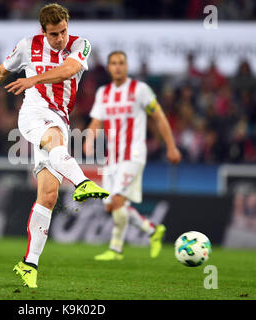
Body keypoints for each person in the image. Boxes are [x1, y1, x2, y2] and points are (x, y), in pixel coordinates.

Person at [0, 3, 109, 288]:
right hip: (33, 114)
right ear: (43, 31)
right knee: (55, 140)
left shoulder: (81, 45)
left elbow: (68, 70)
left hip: (60, 117)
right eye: (53, 34)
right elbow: (0, 73)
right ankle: (82, 182)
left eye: (63, 31)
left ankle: (29, 265)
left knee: (48, 196)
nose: (60, 38)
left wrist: (34, 78)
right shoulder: (27, 45)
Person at [84, 51, 181, 260]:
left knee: (118, 200)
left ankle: (116, 249)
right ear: (108, 67)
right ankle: (152, 230)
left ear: (127, 66)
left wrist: (171, 147)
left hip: (133, 154)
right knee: (111, 206)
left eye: (121, 63)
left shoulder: (140, 90)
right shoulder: (103, 93)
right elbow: (96, 121)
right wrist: (88, 140)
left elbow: (159, 117)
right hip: (112, 157)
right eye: (113, 63)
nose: (117, 67)